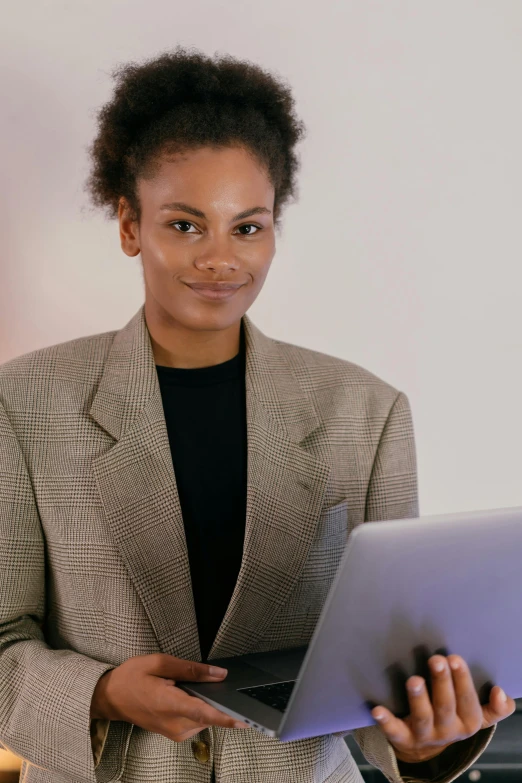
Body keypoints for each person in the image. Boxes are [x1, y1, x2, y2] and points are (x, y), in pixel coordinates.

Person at [0, 46, 514, 783]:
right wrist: (104, 693)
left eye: (248, 227)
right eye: (184, 225)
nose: (221, 259)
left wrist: (425, 740)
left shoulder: (365, 413)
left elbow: (388, 668)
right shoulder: (22, 404)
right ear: (127, 224)